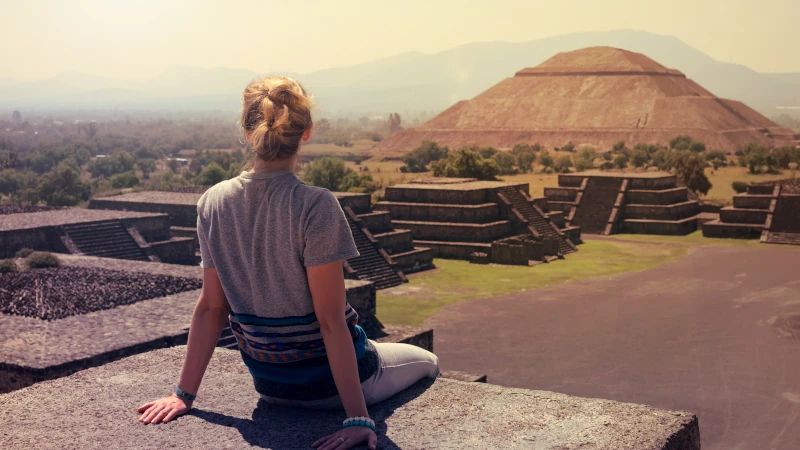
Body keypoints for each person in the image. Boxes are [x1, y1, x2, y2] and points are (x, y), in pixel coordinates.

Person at [137, 76, 440, 450]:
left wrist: (183, 395)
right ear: (306, 133)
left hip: (271, 387)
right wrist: (358, 419)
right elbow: (330, 321)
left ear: (248, 132)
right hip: (332, 389)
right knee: (428, 361)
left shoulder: (212, 203)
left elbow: (212, 308)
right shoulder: (315, 205)